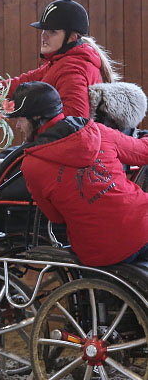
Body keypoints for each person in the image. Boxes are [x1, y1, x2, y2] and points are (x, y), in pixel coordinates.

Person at [11, 81, 148, 266]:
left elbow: (55, 217)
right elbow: (143, 151)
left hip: (104, 249)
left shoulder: (31, 164)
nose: (17, 126)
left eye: (20, 119)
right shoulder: (98, 131)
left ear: (36, 117)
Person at [8, 0, 119, 119]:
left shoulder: (72, 70)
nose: (44, 35)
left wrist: (36, 125)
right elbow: (26, 81)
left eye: (52, 31)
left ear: (71, 37)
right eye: (44, 29)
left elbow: (75, 122)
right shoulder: (59, 62)